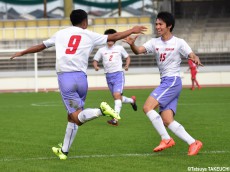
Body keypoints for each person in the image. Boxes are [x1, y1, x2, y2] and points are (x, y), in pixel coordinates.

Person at [10, 9, 147, 160]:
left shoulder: (60, 34)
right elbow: (114, 36)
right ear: (84, 21)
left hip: (66, 78)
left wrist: (22, 53)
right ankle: (64, 151)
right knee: (72, 117)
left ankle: (101, 111)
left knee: (76, 117)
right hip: (82, 78)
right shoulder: (89, 34)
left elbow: (41, 46)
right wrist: (132, 30)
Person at [124, 11, 203, 156]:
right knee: (167, 120)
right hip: (167, 82)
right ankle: (193, 142)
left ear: (169, 25)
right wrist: (132, 45)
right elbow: (138, 51)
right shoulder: (154, 42)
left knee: (147, 107)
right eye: (156, 24)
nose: (157, 27)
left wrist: (195, 57)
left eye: (160, 24)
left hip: (172, 81)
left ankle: (166, 138)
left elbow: (191, 54)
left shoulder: (179, 42)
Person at [93, 29, 137, 126]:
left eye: (113, 37)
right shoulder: (101, 50)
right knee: (117, 97)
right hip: (108, 76)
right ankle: (132, 100)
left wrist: (126, 65)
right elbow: (95, 60)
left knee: (117, 96)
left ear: (116, 38)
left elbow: (127, 57)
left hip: (118, 74)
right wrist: (96, 66)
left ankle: (115, 119)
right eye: (109, 37)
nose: (110, 40)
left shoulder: (119, 48)